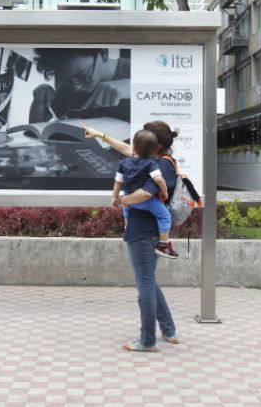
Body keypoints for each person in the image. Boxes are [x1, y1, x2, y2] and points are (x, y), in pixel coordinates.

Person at [84, 120, 180, 352]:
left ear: (154, 146)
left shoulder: (162, 167)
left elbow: (145, 194)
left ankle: (147, 341)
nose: (134, 146)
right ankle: (169, 329)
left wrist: (120, 200)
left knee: (145, 283)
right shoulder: (151, 159)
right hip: (146, 230)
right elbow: (126, 149)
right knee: (149, 280)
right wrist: (100, 135)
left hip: (143, 232)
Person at [113, 130, 179, 260]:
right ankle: (163, 245)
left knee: (126, 212)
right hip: (146, 202)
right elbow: (159, 180)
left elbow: (118, 181)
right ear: (154, 150)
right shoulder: (151, 163)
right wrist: (164, 192)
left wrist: (116, 198)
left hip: (128, 200)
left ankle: (127, 228)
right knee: (165, 216)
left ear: (134, 147)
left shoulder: (124, 163)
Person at [29, 48, 130, 122]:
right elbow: (38, 131)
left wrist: (137, 90)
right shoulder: (67, 87)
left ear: (103, 53)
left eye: (82, 75)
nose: (76, 88)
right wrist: (39, 102)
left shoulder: (140, 70)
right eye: (66, 80)